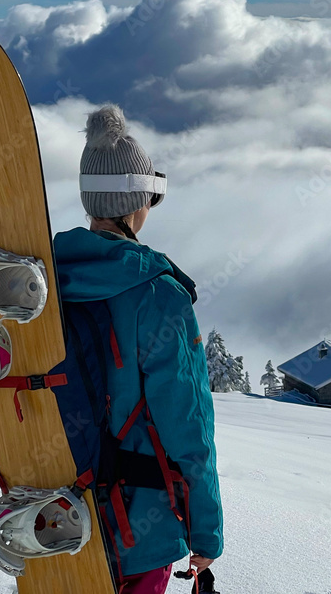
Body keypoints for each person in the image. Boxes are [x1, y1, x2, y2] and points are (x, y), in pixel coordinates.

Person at [53, 103, 224, 594]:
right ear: (135, 203)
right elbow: (188, 425)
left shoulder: (42, 281)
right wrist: (205, 530)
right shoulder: (158, 295)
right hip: (136, 529)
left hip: (52, 517)